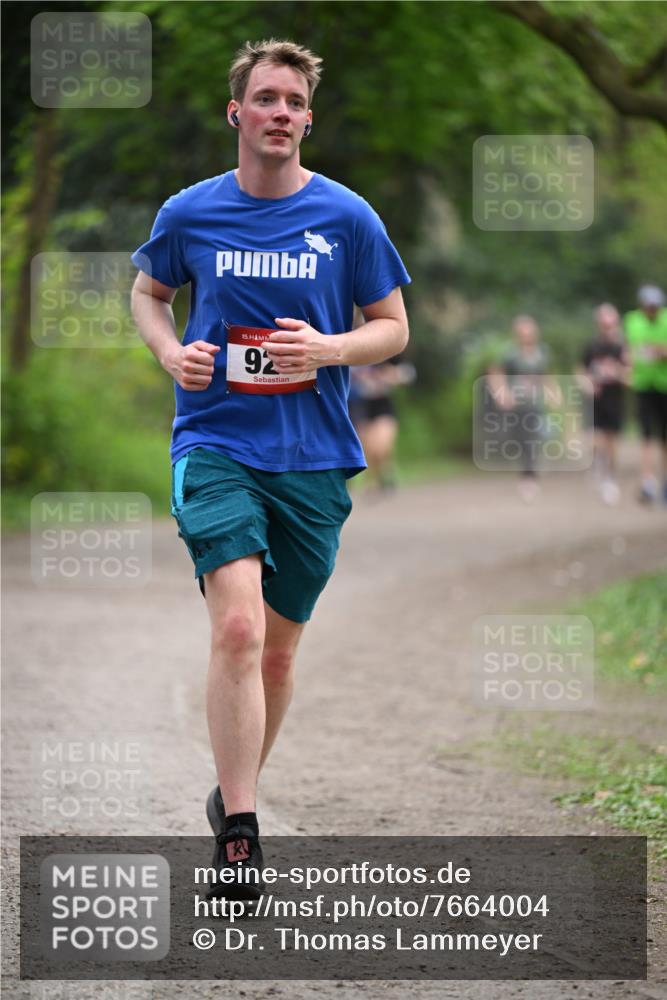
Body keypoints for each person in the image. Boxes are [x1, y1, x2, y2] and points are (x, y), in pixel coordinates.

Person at [130, 38, 410, 899]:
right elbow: (148, 292)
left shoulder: (347, 218)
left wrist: (329, 349)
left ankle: (229, 792)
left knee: (278, 657)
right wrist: (171, 352)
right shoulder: (190, 213)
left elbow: (392, 326)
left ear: (306, 120)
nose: (280, 113)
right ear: (237, 114)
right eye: (266, 98)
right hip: (215, 445)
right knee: (239, 630)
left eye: (294, 101)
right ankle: (243, 836)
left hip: (314, 459)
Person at [488, 315, 560, 502]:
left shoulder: (542, 352)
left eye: (529, 332)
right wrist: (502, 394)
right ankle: (528, 473)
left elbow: (547, 376)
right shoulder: (510, 353)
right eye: (522, 333)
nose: (526, 336)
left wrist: (554, 394)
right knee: (521, 440)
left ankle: (529, 478)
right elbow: (495, 373)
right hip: (517, 406)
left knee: (533, 438)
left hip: (536, 404)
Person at [577, 303, 629, 505]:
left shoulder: (622, 347)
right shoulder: (592, 345)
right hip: (596, 400)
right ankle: (598, 465)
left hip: (614, 399)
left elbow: (631, 375)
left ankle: (610, 478)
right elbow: (581, 369)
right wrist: (586, 383)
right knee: (595, 437)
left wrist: (617, 373)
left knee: (612, 440)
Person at [624, 285, 667, 504]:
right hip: (643, 385)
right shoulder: (632, 320)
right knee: (646, 436)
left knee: (664, 438)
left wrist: (662, 352)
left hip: (664, 384)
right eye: (648, 307)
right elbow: (630, 350)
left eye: (655, 307)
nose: (652, 310)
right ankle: (647, 483)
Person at [348, 356, 416, 494]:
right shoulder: (355, 356)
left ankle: (386, 472)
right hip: (360, 407)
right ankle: (373, 481)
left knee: (382, 446)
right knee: (369, 449)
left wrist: (391, 375)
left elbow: (408, 374)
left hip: (383, 407)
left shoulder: (389, 357)